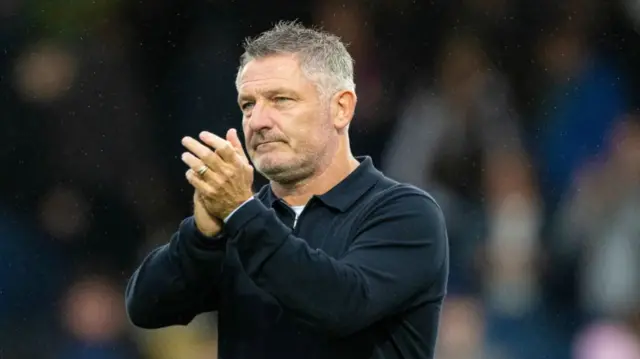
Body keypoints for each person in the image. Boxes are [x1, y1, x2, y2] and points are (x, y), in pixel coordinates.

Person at [125, 21, 449, 359]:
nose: (258, 120)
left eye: (280, 99)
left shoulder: (405, 213)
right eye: (248, 105)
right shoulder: (239, 223)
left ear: (341, 108)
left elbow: (340, 305)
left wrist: (240, 211)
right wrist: (202, 236)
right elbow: (148, 308)